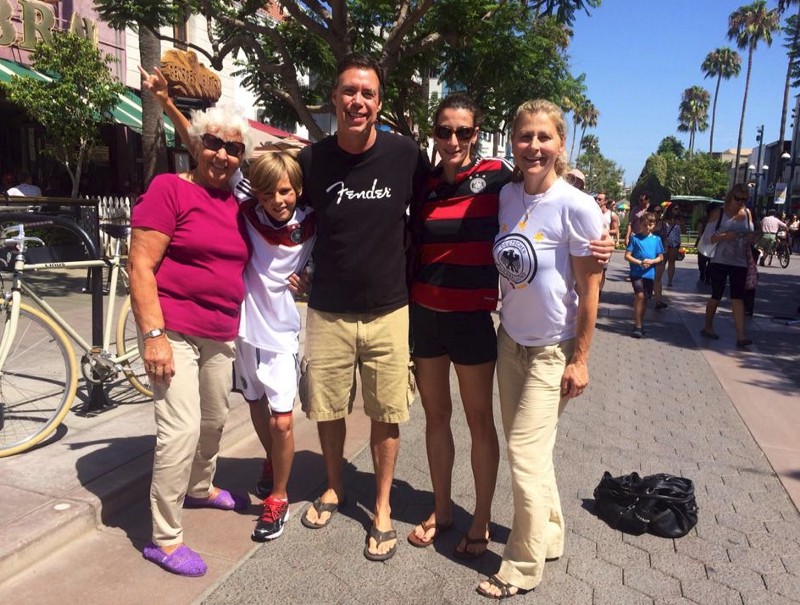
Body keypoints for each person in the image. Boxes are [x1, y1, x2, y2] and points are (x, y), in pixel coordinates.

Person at [297, 54, 429, 563]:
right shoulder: (313, 160)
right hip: (327, 308)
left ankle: (381, 507)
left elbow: (435, 207)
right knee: (328, 409)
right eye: (349, 91)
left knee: (386, 413)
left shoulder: (405, 155)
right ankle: (334, 486)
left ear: (378, 102)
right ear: (335, 97)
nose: (358, 101)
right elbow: (275, 205)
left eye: (368, 93)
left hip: (389, 309)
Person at [477, 99, 603, 599]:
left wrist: (581, 359)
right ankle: (548, 535)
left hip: (554, 351)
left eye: (543, 137)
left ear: (560, 144)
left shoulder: (577, 206)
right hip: (510, 344)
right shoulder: (507, 197)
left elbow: (590, 294)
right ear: (513, 142)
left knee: (525, 455)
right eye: (525, 136)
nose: (533, 146)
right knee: (532, 450)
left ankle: (522, 566)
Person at [129, 105, 251, 577]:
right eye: (214, 144)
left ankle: (200, 487)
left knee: (216, 420)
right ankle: (164, 537)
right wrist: (153, 336)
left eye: (234, 148)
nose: (223, 155)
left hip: (220, 333)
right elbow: (140, 264)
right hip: (174, 331)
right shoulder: (170, 189)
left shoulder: (236, 201)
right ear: (196, 146)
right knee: (180, 430)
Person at [406, 93, 509, 558]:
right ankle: (443, 509)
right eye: (444, 130)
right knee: (436, 418)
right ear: (434, 133)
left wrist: (596, 239)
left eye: (463, 131)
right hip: (425, 316)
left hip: (471, 319)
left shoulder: (496, 179)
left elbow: (548, 193)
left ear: (476, 133)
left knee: (479, 421)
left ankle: (482, 518)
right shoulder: (424, 184)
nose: (453, 140)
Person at [232, 150, 316, 542]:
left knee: (282, 419)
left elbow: (335, 257)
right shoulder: (247, 209)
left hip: (281, 333)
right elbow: (201, 147)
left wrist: (312, 276)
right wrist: (166, 103)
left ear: (297, 188)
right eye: (267, 194)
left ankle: (279, 498)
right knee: (255, 402)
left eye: (284, 192)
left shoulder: (314, 222)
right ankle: (270, 462)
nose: (276, 201)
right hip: (244, 328)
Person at [699, 184, 755, 348]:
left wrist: (753, 238)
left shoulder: (747, 214)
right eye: (738, 198)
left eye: (744, 199)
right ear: (731, 196)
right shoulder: (720, 213)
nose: (740, 202)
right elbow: (707, 239)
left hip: (740, 261)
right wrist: (726, 236)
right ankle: (708, 326)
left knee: (738, 297)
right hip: (720, 260)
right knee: (716, 294)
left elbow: (751, 234)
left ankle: (740, 336)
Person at [624, 211, 664, 338]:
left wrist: (651, 261)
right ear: (640, 224)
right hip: (636, 273)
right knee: (640, 296)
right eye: (645, 225)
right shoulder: (635, 239)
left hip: (649, 274)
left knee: (645, 298)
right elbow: (627, 256)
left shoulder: (657, 239)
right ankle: (638, 325)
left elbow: (660, 257)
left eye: (650, 225)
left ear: (654, 225)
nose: (647, 228)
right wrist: (639, 262)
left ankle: (640, 322)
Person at [595, 192, 619, 293]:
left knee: (602, 269)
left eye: (600, 199)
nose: (597, 201)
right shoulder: (593, 212)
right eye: (596, 198)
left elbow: (616, 230)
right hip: (595, 242)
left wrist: (605, 231)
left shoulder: (612, 215)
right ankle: (594, 288)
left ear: (605, 201)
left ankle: (599, 290)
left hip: (606, 244)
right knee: (593, 267)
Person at [661, 204, 683, 288]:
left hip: (675, 243)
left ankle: (670, 281)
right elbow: (661, 230)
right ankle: (658, 279)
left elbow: (683, 231)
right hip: (665, 242)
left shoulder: (679, 220)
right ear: (671, 210)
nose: (677, 211)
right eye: (676, 209)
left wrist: (680, 224)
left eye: (678, 209)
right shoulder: (664, 220)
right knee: (663, 261)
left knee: (672, 261)